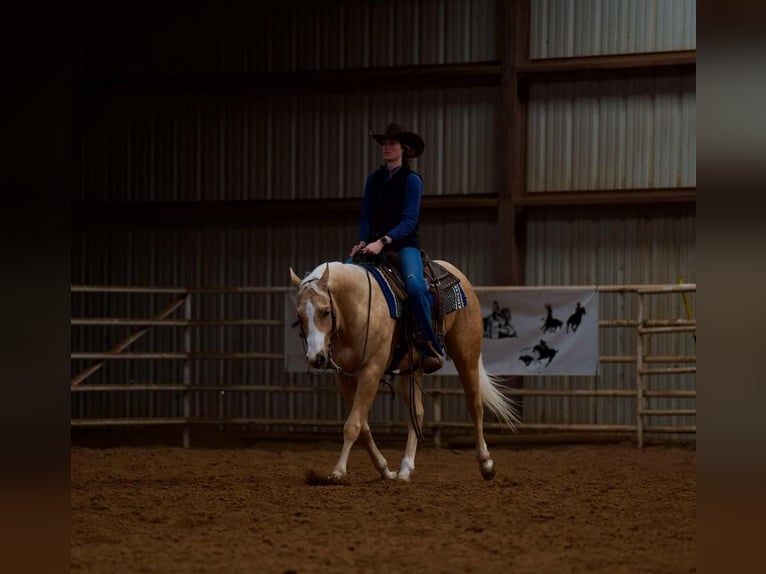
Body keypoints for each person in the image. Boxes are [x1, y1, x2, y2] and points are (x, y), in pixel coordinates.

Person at [348, 122, 444, 373]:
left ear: (404, 149)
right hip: (372, 243)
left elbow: (409, 220)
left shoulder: (412, 180)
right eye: (385, 143)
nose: (387, 147)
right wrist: (362, 240)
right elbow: (366, 215)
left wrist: (383, 241)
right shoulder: (374, 179)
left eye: (392, 143)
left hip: (403, 245)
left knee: (414, 286)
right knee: (343, 277)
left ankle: (428, 345)